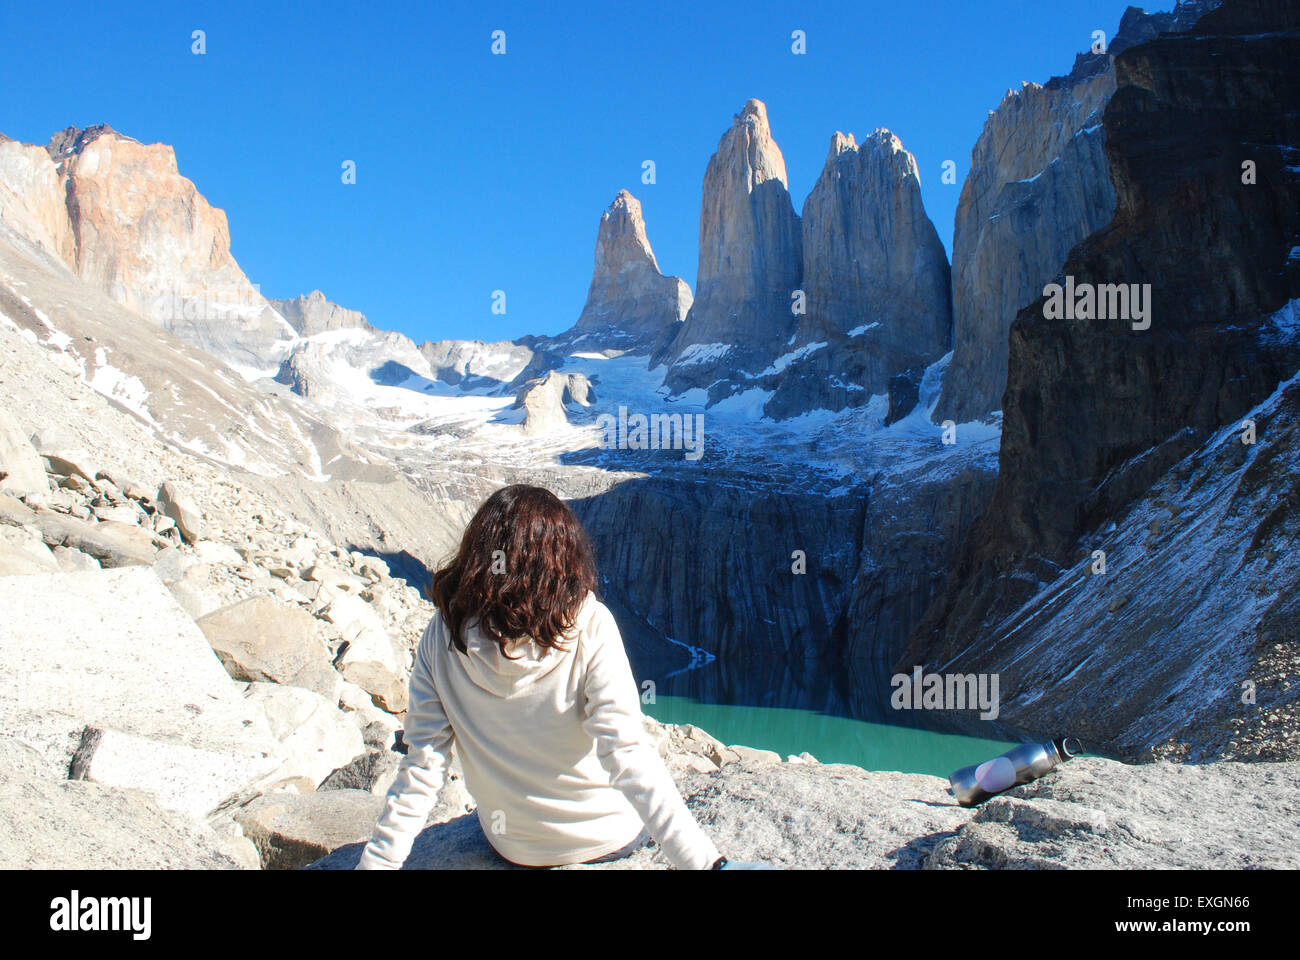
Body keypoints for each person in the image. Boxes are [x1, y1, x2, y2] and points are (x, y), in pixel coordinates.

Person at [356, 483, 761, 870]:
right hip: (608, 840)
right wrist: (709, 864)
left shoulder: (443, 632)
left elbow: (422, 767)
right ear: (562, 555)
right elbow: (627, 754)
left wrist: (376, 863)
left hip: (513, 847)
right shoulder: (588, 623)